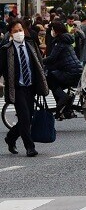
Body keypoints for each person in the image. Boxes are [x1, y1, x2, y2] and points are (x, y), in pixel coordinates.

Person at [0, 21, 49, 157]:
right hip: (17, 88)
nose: (19, 33)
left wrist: (43, 80)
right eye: (15, 31)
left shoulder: (30, 45)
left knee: (28, 117)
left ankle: (10, 137)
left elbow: (39, 63)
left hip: (31, 86)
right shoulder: (6, 49)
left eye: (20, 29)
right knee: (25, 117)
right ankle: (30, 147)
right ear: (11, 33)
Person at [43, 22, 83, 119]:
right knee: (56, 83)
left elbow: (52, 58)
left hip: (70, 72)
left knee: (51, 80)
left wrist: (39, 60)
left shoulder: (60, 42)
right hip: (77, 70)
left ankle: (63, 100)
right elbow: (60, 59)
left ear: (56, 31)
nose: (51, 32)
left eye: (52, 30)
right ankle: (64, 110)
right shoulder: (67, 40)